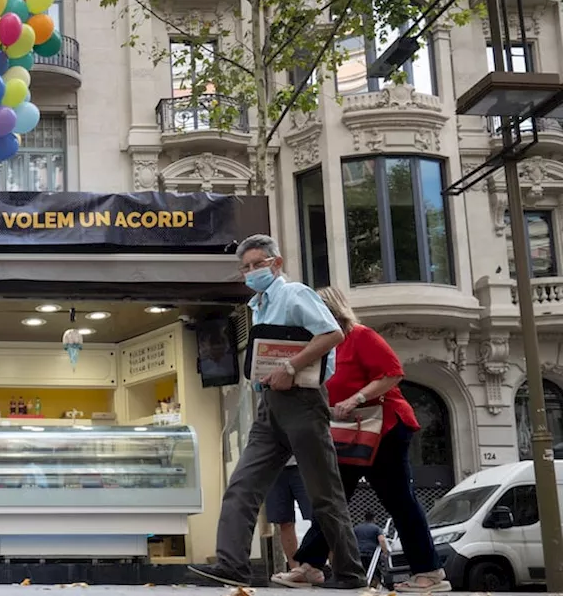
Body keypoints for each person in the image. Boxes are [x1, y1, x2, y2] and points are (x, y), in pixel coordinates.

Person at [189, 234, 365, 589]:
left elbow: (332, 334)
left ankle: (350, 571)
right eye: (246, 268)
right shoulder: (258, 306)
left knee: (324, 493)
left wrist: (289, 368)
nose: (252, 272)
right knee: (242, 485)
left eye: (258, 264)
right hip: (270, 406)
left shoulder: (295, 293)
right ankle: (232, 564)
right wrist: (262, 376)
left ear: (277, 263)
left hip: (303, 402)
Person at [273, 287, 448, 592]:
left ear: (330, 311)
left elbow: (393, 374)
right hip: (351, 431)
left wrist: (356, 398)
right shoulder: (319, 347)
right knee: (333, 498)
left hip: (385, 429)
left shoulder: (361, 336)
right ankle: (311, 566)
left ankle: (430, 572)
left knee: (399, 500)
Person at [266, 456, 312, 570]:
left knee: (322, 519)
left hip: (305, 464)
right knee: (284, 521)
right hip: (274, 467)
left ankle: (334, 568)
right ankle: (294, 570)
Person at [353, 510, 390, 586]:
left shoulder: (356, 528)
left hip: (358, 554)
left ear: (364, 518)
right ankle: (373, 586)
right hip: (372, 555)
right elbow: (382, 540)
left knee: (362, 572)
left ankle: (361, 585)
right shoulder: (376, 528)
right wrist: (385, 552)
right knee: (374, 572)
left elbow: (351, 540)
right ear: (374, 519)